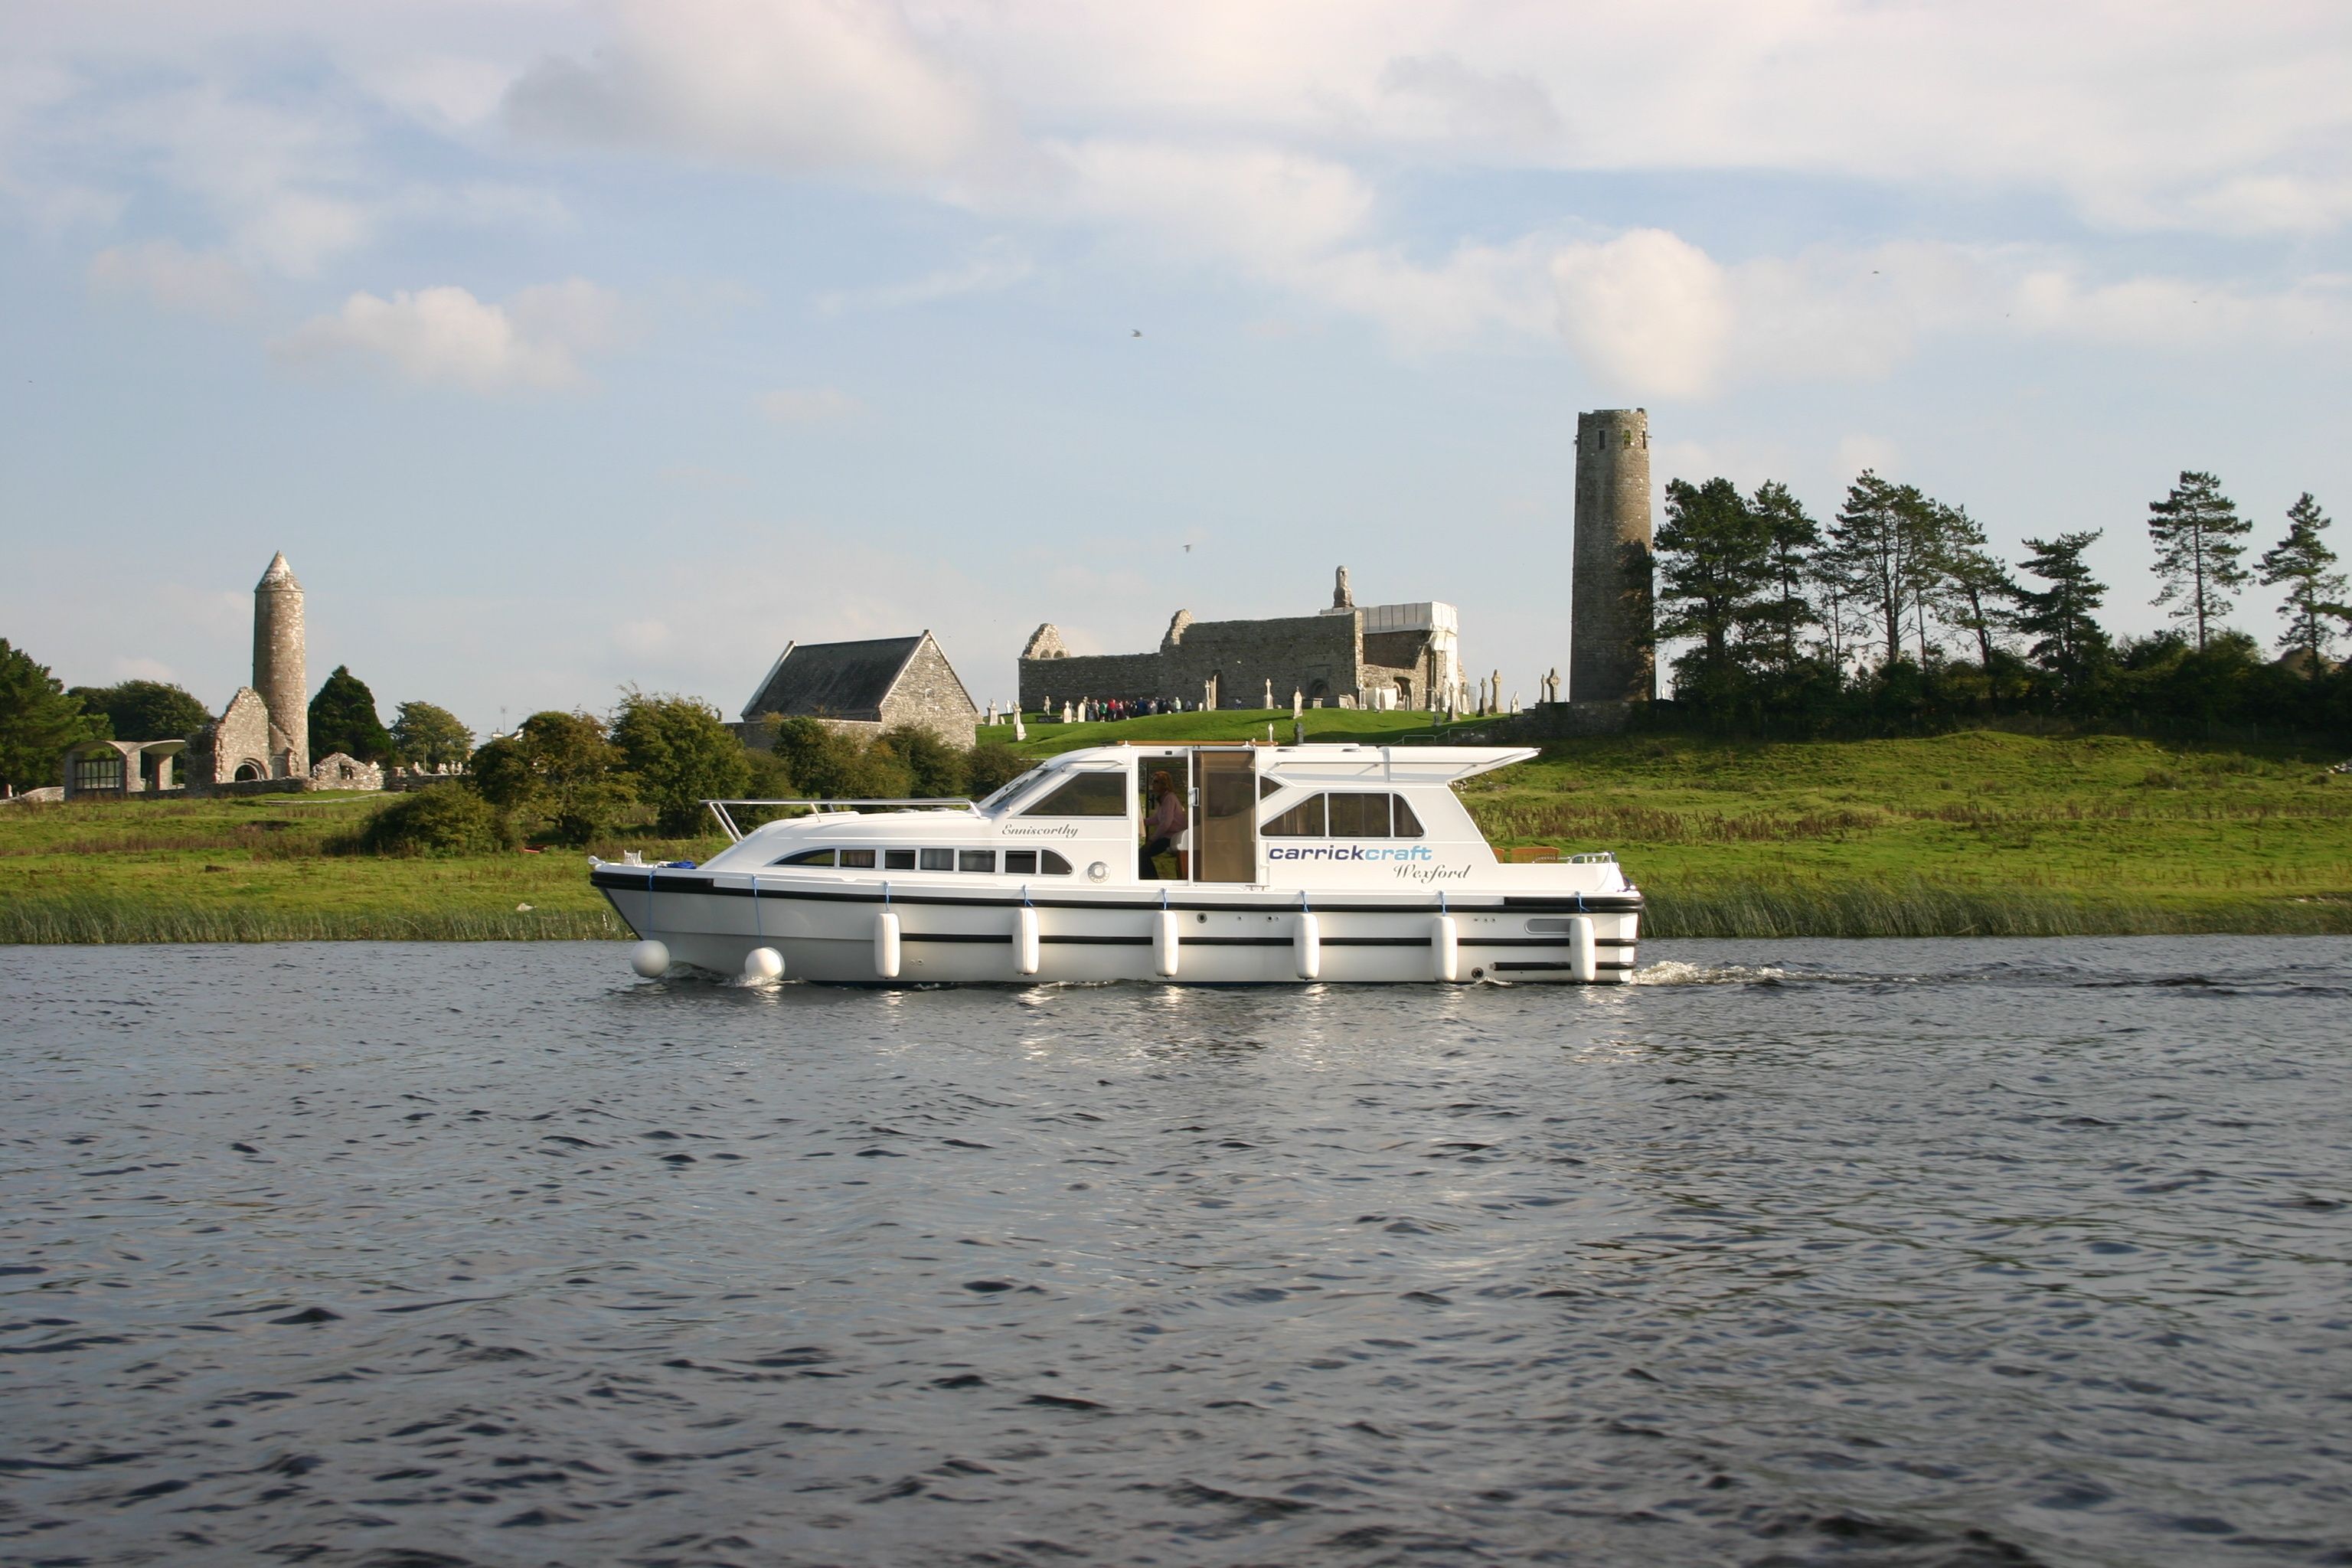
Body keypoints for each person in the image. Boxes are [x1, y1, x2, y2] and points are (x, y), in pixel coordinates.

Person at [1140, 769, 1187, 879]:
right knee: (1142, 854)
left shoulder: (1169, 798)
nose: (1153, 784)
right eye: (1153, 781)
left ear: (1164, 784)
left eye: (1156, 782)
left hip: (1172, 837)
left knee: (1142, 854)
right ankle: (1151, 879)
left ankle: (1152, 880)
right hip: (1168, 836)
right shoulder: (1164, 799)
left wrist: (1152, 840)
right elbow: (1157, 819)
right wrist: (1138, 822)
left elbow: (1166, 823)